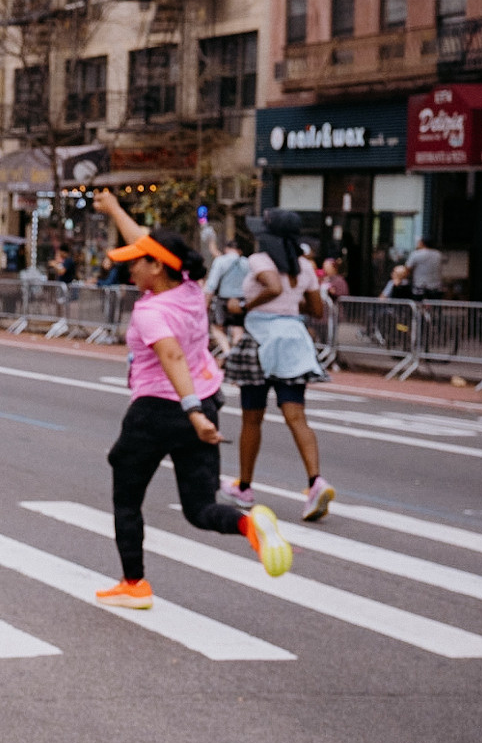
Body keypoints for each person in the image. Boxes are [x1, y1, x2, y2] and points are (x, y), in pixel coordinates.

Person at [88, 189, 292, 609]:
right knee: (200, 508)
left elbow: (172, 357)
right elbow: (148, 241)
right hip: (206, 398)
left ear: (156, 266)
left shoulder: (151, 312)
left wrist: (192, 411)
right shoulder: (190, 289)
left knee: (126, 493)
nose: (129, 267)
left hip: (159, 410)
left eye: (136, 262)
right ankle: (248, 525)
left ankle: (134, 585)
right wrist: (114, 210)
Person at [221, 210, 333, 521]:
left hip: (260, 339)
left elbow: (272, 286)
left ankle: (244, 486)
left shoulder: (260, 261)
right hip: (294, 340)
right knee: (296, 414)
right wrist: (287, 303)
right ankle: (315, 482)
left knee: (251, 418)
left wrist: (243, 305)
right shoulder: (305, 266)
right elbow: (316, 309)